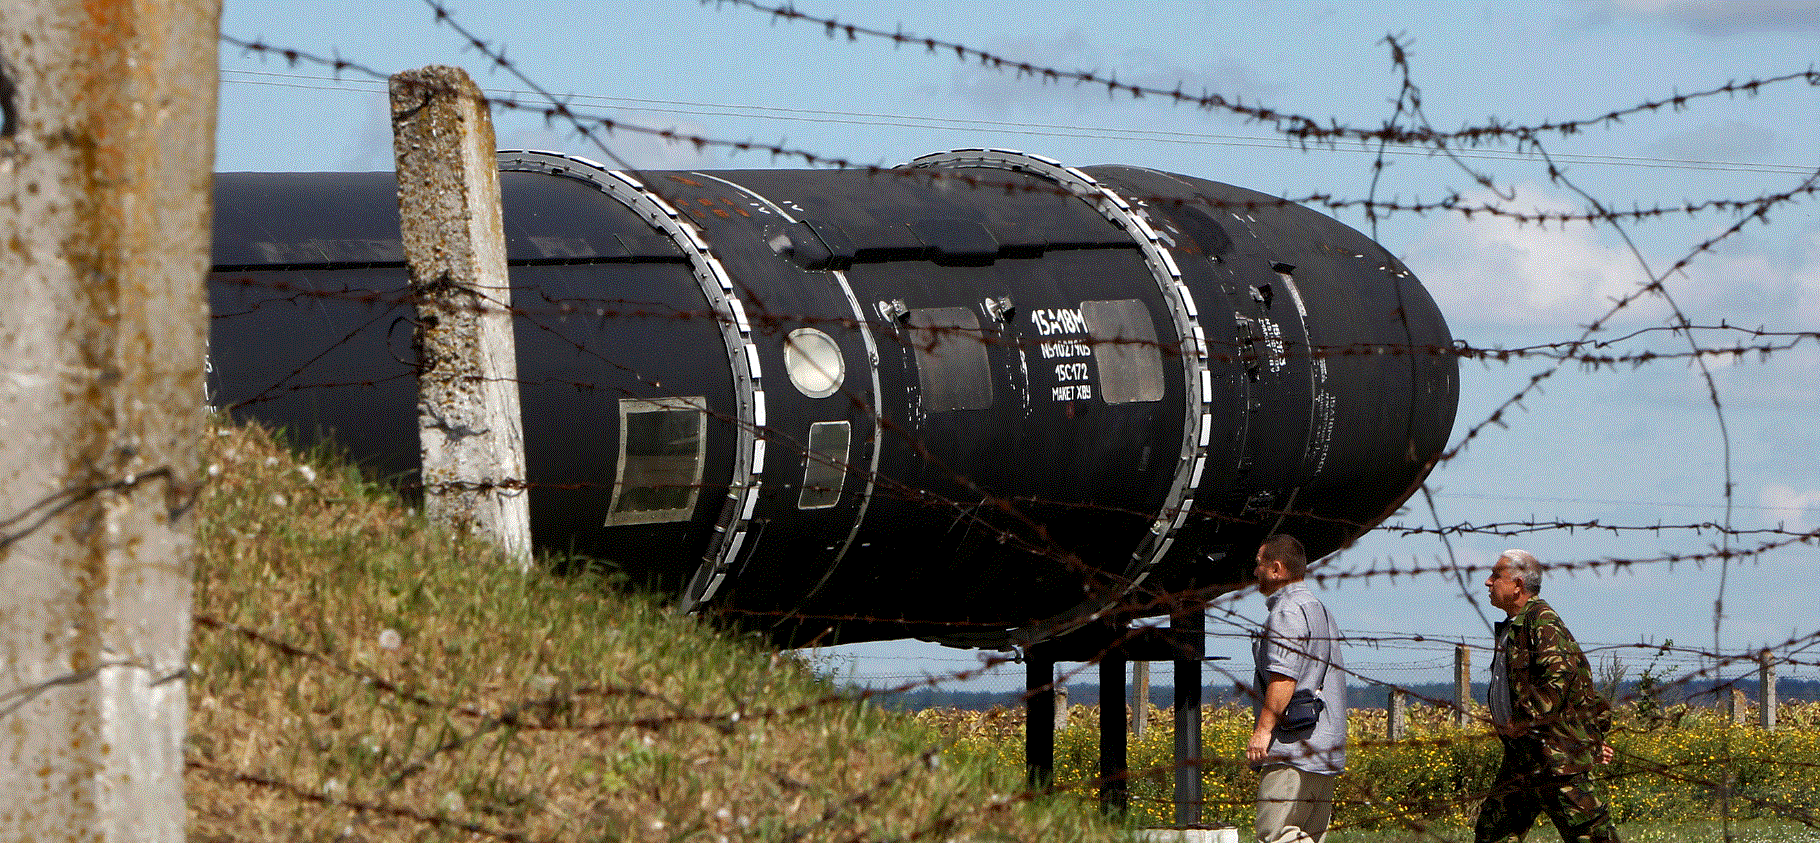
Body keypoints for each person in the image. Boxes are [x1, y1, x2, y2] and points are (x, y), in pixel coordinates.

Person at [1475, 549, 1621, 843]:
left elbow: (1560, 680)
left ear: (1517, 585)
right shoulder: (1515, 626)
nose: (1488, 582)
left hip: (1556, 757)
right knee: (1492, 833)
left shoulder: (1542, 622)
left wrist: (1522, 720)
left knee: (1591, 835)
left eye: (1496, 576)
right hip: (1524, 756)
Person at [1247, 534, 1346, 843]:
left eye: (1259, 564)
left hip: (1292, 749)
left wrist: (1262, 732)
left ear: (1277, 569)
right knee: (1309, 837)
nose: (1255, 572)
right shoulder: (1320, 611)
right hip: (1323, 748)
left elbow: (1284, 678)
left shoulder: (1287, 613)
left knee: (1276, 835)